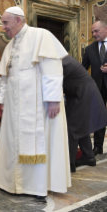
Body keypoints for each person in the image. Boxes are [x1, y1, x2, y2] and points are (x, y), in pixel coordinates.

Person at [0, 6, 71, 197]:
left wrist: (53, 99)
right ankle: (12, 182)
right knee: (13, 142)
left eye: (5, 22)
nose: (3, 27)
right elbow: (4, 77)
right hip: (14, 107)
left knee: (40, 141)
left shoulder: (41, 36)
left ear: (18, 20)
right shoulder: (10, 45)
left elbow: (52, 69)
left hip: (39, 105)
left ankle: (36, 185)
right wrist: (1, 101)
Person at [63, 56, 107, 172]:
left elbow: (55, 83)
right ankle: (88, 156)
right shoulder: (63, 59)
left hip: (82, 93)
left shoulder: (60, 62)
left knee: (72, 126)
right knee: (80, 125)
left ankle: (69, 164)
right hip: (80, 92)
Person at [82, 20, 107, 155]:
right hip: (98, 88)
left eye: (96, 31)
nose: (94, 34)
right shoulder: (89, 49)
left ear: (106, 29)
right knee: (99, 117)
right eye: (92, 32)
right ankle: (97, 147)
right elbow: (82, 69)